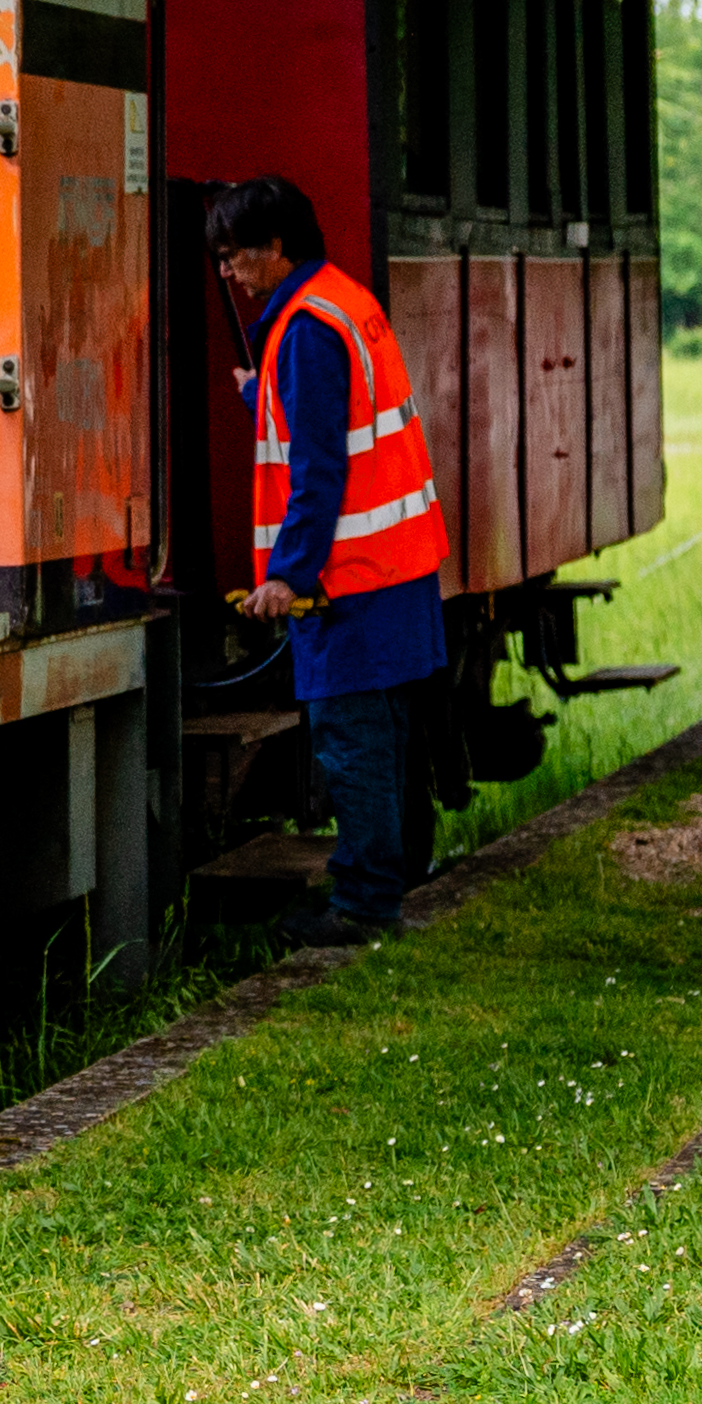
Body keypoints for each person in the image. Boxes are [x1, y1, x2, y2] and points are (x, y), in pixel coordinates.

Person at [208, 174, 450, 939]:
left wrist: (288, 574)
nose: (227, 270)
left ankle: (365, 904)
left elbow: (318, 469)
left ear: (275, 248)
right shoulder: (340, 303)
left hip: (351, 582)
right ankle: (397, 873)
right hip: (397, 568)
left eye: (235, 254)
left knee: (352, 742)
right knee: (390, 735)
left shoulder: (306, 331)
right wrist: (263, 394)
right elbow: (337, 423)